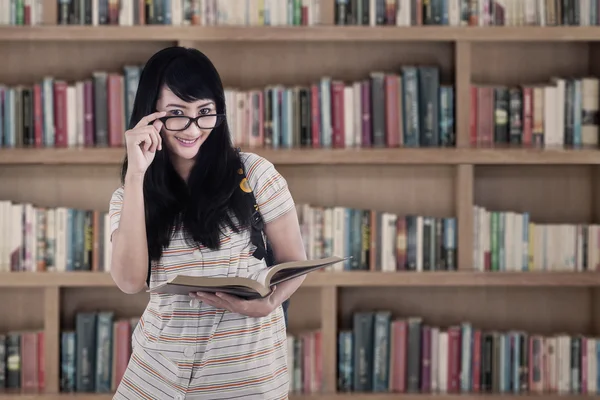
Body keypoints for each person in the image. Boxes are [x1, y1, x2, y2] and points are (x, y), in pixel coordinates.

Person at [108, 46, 307, 399]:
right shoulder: (130, 196)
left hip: (247, 378)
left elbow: (295, 263)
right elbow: (127, 281)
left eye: (204, 112)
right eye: (176, 113)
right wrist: (137, 175)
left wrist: (270, 302)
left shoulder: (255, 174)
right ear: (150, 116)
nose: (193, 128)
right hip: (157, 378)